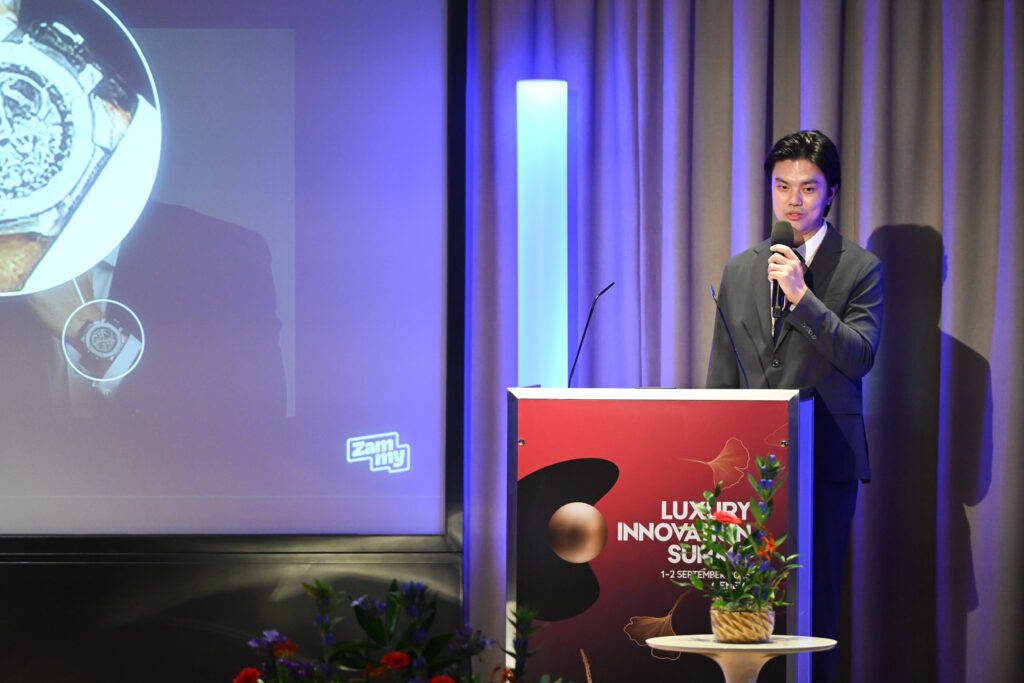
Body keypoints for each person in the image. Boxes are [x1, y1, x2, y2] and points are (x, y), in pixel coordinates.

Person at [706, 130, 883, 681]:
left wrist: (803, 296)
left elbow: (859, 356)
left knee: (815, 606)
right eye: (782, 186)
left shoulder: (860, 267)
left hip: (825, 460)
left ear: (831, 192)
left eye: (808, 188)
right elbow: (723, 371)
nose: (793, 200)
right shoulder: (741, 268)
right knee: (745, 603)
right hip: (751, 467)